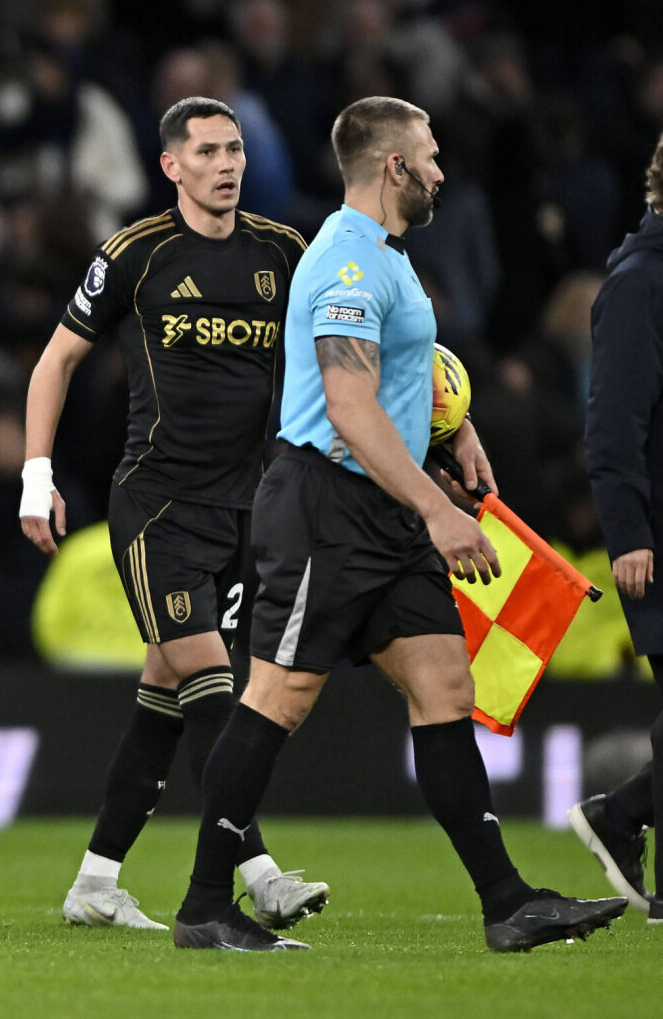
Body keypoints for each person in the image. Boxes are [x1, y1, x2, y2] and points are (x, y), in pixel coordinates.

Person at [170, 95, 627, 952]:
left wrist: (453, 430)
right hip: (325, 507)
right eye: (430, 155)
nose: (440, 171)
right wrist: (435, 509)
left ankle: (506, 903)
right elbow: (347, 407)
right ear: (393, 166)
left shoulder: (386, 257)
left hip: (384, 506)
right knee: (278, 696)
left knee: (445, 688)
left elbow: (406, 369)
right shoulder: (346, 262)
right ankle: (202, 908)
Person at [20, 96, 327, 932]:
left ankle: (94, 884)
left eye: (233, 150)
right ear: (171, 166)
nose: (225, 165)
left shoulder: (282, 252)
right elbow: (55, 361)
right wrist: (36, 475)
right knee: (213, 684)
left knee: (164, 695)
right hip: (157, 507)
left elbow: (333, 356)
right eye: (206, 153)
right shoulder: (135, 253)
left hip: (244, 509)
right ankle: (257, 871)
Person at [570, 130, 663, 920]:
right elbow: (611, 426)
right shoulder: (638, 284)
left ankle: (620, 815)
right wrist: (627, 532)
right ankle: (620, 816)